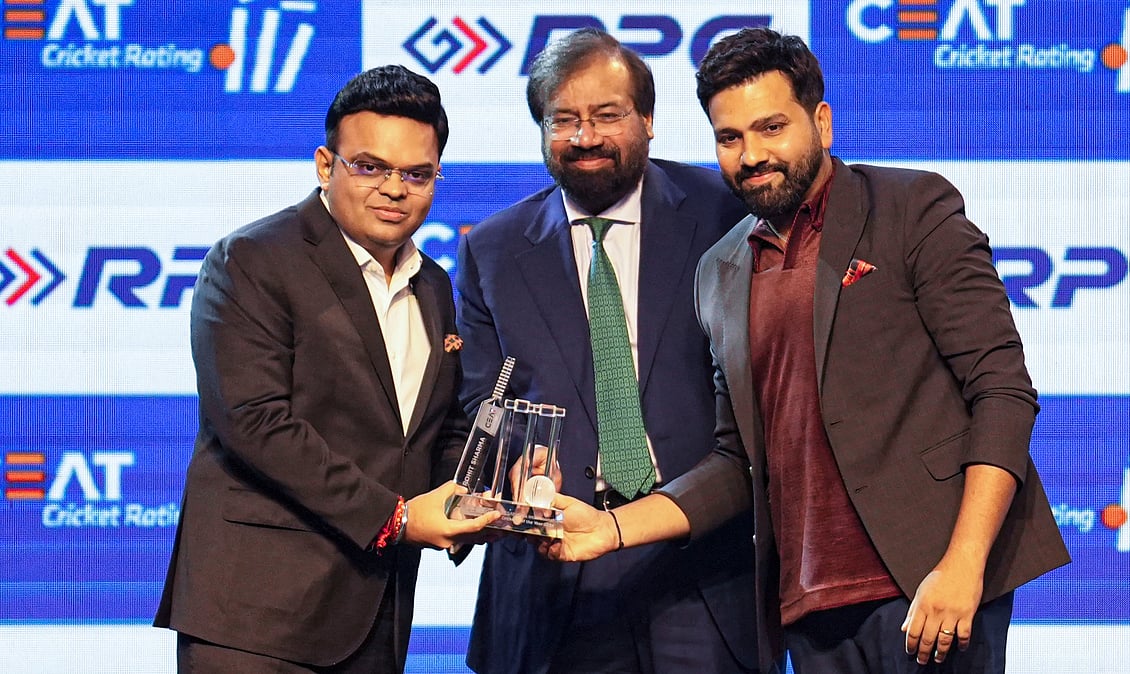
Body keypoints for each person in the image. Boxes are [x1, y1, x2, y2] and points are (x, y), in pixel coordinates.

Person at [542, 27, 1070, 674]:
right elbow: (739, 461)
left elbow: (1001, 392)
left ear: (820, 120)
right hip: (806, 616)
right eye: (729, 137)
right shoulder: (719, 268)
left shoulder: (911, 207)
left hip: (929, 587)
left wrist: (964, 564)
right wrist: (614, 529)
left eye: (771, 128)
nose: (752, 154)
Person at [154, 64, 499, 673]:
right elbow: (254, 421)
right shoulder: (253, 259)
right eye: (369, 166)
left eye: (417, 174)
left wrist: (472, 491)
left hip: (377, 615)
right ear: (325, 165)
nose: (395, 189)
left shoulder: (437, 286)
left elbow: (435, 430)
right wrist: (395, 518)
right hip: (256, 618)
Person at [456, 28, 759, 674]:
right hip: (553, 583)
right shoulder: (491, 250)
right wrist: (510, 472)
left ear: (648, 120)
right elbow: (477, 407)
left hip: (701, 574)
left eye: (606, 116)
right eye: (563, 120)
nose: (585, 137)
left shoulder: (725, 214)